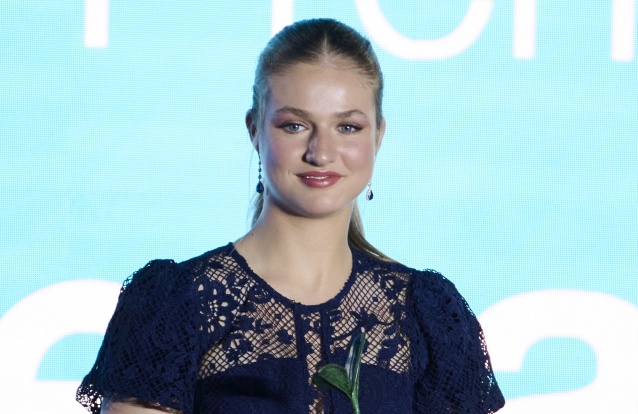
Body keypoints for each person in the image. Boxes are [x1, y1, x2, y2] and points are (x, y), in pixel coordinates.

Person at [76, 18, 505, 414]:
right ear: (254, 130)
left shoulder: (426, 314)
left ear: (378, 137)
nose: (321, 152)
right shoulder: (175, 303)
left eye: (348, 127)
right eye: (294, 126)